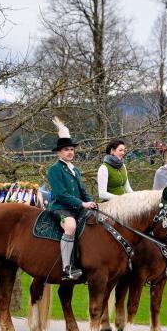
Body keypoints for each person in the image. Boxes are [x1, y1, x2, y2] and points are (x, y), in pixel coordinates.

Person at [46, 117, 97, 281]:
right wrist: (82, 203)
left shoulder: (76, 170)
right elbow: (60, 194)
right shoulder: (54, 169)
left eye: (71, 149)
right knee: (70, 226)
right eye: (66, 150)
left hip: (77, 207)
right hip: (60, 208)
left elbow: (83, 191)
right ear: (59, 152)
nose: (70, 152)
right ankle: (66, 268)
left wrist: (92, 202)